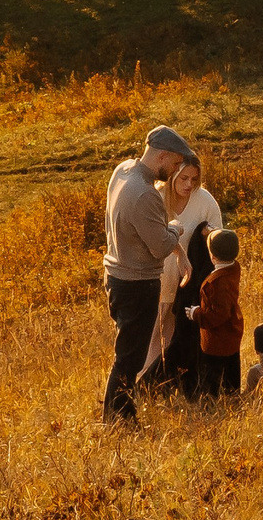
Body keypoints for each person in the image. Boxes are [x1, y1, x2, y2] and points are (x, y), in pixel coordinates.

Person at [99, 125, 197, 423]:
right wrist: (176, 228)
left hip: (116, 275)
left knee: (127, 352)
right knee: (130, 358)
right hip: (137, 284)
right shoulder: (145, 195)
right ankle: (118, 420)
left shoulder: (123, 170)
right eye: (176, 164)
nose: (177, 170)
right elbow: (160, 247)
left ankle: (120, 414)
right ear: (163, 157)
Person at [143, 157, 222, 397]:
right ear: (173, 175)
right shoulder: (155, 197)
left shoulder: (205, 201)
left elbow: (218, 239)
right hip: (156, 279)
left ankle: (173, 385)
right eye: (184, 178)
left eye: (194, 179)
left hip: (189, 283)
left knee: (179, 333)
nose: (189, 184)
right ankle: (145, 385)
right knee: (153, 332)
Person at [188, 227, 244, 399]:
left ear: (212, 256)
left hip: (216, 340)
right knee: (231, 370)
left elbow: (217, 315)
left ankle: (210, 402)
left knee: (212, 376)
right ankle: (233, 397)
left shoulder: (216, 283)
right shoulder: (234, 268)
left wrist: (196, 313)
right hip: (232, 334)